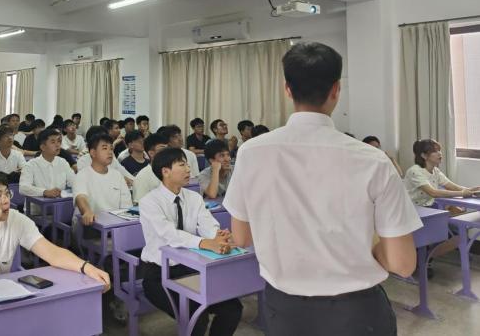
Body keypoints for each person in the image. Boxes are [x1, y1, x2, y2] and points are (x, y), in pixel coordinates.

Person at [225, 42, 422, 335]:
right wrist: (366, 244)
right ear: (336, 90)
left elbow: (241, 237)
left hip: (284, 312)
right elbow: (402, 263)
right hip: (356, 314)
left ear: (287, 89)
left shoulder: (251, 152)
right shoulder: (372, 160)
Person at [0, 170, 110, 290]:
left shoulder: (15, 219)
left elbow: (52, 253)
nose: (6, 201)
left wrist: (86, 267)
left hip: (0, 292)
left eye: (7, 194)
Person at [140, 148, 242, 336]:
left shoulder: (194, 197)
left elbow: (207, 223)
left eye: (187, 164)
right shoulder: (149, 202)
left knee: (232, 309)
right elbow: (169, 234)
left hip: (192, 267)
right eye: (182, 165)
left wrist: (218, 236)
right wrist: (205, 243)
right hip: (159, 273)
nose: (188, 169)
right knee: (197, 317)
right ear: (165, 171)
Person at [75, 133, 133, 234]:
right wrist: (87, 211)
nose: (110, 152)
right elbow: (80, 197)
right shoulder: (82, 175)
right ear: (93, 153)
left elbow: (126, 206)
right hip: (92, 226)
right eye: (105, 148)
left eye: (111, 149)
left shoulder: (117, 175)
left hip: (116, 225)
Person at [404, 139, 479, 206]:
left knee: (456, 209)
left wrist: (474, 190)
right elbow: (433, 193)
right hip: (413, 209)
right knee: (453, 209)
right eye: (435, 151)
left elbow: (454, 187)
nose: (440, 153)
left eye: (439, 150)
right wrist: (462, 193)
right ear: (424, 155)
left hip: (430, 205)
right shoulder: (415, 171)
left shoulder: (436, 171)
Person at [19, 128, 76, 212]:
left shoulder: (63, 162)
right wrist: (45, 192)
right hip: (36, 213)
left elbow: (74, 182)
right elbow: (23, 188)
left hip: (58, 211)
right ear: (43, 147)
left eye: (59, 141)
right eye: (53, 142)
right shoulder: (31, 165)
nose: (58, 145)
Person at [132, 137, 167, 203]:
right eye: (162, 150)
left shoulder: (171, 171)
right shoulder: (143, 176)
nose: (167, 153)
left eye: (168, 149)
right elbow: (140, 203)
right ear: (151, 153)